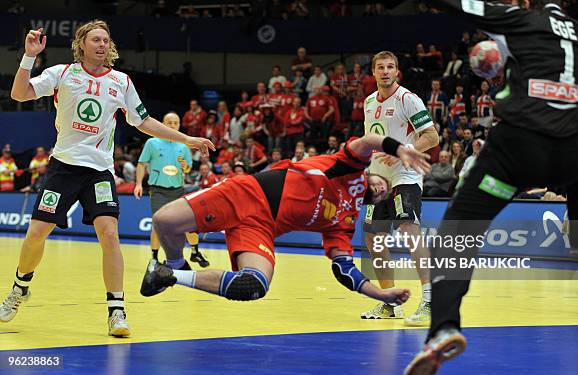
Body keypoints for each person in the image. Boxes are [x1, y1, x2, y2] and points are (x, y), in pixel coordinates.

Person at [405, 1, 578, 373]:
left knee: (458, 230)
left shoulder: (517, 18)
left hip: (520, 149)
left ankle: (443, 329)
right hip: (573, 155)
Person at [0, 21, 214, 337]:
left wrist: (186, 139)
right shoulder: (63, 74)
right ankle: (19, 288)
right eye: (95, 39)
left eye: (106, 40)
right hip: (63, 167)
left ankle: (117, 311)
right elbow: (19, 93)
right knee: (36, 232)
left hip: (99, 170)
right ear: (81, 44)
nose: (102, 44)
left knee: (109, 233)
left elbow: (144, 123)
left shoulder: (121, 82)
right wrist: (29, 57)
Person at [139, 134, 432, 311]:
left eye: (382, 196)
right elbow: (368, 141)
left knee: (254, 285)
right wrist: (400, 149)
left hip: (261, 229)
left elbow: (344, 270)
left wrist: (380, 293)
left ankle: (169, 276)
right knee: (164, 221)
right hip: (245, 193)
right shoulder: (349, 167)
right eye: (383, 184)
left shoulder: (344, 222)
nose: (382, 190)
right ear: (376, 175)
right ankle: (176, 263)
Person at [361, 51, 439, 324]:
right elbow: (370, 141)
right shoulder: (369, 102)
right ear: (373, 73)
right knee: (373, 238)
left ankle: (429, 300)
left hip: (405, 173)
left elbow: (431, 136)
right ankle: (390, 302)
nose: (385, 71)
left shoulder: (408, 99)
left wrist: (402, 151)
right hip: (378, 178)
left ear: (397, 72)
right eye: (380, 67)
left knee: (409, 229)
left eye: (390, 67)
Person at [134, 112, 210, 268]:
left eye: (175, 123)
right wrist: (138, 184)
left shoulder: (183, 146)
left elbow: (188, 168)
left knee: (189, 223)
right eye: (169, 122)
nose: (172, 125)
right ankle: (154, 258)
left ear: (179, 125)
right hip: (158, 191)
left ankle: (195, 252)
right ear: (162, 124)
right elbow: (142, 164)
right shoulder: (152, 143)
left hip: (178, 190)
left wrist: (186, 167)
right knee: (158, 224)